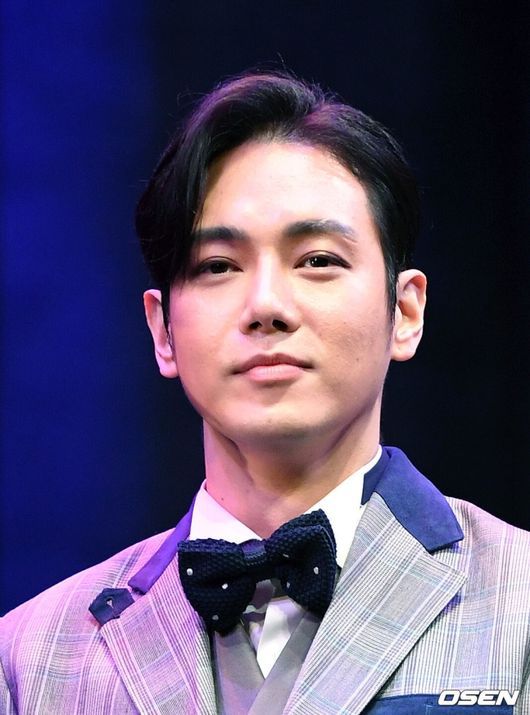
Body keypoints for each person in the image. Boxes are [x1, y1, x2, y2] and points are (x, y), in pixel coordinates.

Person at [1, 71, 529, 715]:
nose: (267, 306)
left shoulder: (519, 603)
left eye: (318, 260)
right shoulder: (30, 659)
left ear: (405, 311)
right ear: (163, 331)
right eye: (218, 266)